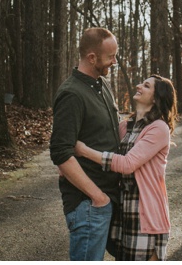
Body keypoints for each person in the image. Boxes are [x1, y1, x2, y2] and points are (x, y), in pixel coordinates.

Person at [75, 74, 176, 261]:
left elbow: (127, 164)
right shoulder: (125, 127)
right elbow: (104, 149)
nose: (139, 86)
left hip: (145, 215)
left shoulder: (158, 128)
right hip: (122, 211)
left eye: (146, 86)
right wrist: (70, 162)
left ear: (155, 98)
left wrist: (83, 151)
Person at [50, 27, 122, 261]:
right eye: (111, 56)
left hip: (109, 199)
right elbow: (61, 152)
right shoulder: (72, 94)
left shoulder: (102, 86)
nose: (114, 61)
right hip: (89, 205)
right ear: (92, 58)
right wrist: (98, 197)